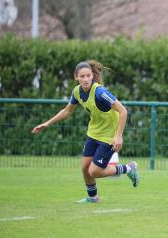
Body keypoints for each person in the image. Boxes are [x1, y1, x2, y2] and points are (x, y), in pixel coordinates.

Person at [32, 60, 139, 203]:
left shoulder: (100, 92)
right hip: (93, 134)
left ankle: (128, 169)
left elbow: (123, 111)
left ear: (92, 76)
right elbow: (67, 111)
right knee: (85, 167)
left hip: (108, 137)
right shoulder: (77, 92)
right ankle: (92, 197)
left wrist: (118, 136)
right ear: (76, 77)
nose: (85, 79)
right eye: (82, 76)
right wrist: (47, 123)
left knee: (94, 171)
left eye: (88, 76)